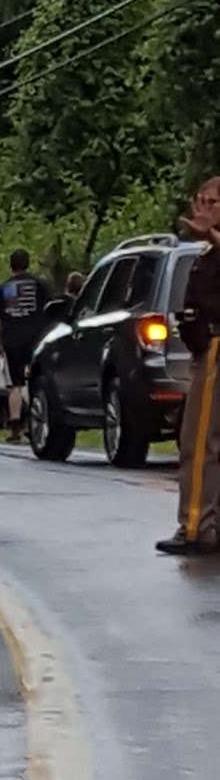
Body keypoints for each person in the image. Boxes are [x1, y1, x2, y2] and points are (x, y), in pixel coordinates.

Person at [156, 178, 220, 555]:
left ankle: (195, 525)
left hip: (215, 350)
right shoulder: (206, 255)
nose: (202, 208)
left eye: (212, 202)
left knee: (198, 444)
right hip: (203, 350)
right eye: (200, 200)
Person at [0, 249, 51, 444]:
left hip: (12, 341)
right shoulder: (39, 285)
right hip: (35, 341)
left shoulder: (3, 289)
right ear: (27, 264)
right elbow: (51, 311)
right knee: (34, 381)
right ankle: (35, 422)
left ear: (11, 265)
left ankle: (15, 427)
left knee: (15, 385)